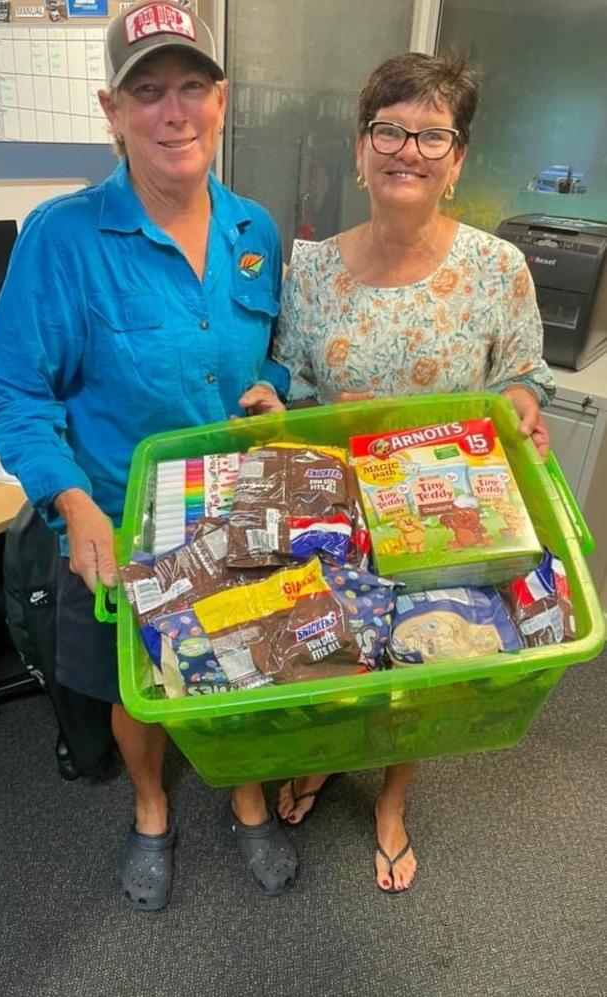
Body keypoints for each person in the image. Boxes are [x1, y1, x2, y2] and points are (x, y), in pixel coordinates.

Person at [0, 0, 298, 909]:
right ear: (110, 111)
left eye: (191, 87)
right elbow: (14, 391)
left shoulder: (255, 232)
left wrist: (274, 382)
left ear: (222, 101)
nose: (174, 112)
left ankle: (244, 793)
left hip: (239, 510)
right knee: (141, 688)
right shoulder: (62, 239)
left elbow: (270, 349)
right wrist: (70, 501)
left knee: (253, 657)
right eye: (147, 91)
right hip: (124, 524)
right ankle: (153, 806)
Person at [272, 52, 555, 894]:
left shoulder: (496, 267)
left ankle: (392, 798)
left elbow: (524, 370)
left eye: (434, 134)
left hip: (445, 512)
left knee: (424, 671)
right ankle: (326, 758)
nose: (409, 150)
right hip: (339, 507)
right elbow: (295, 379)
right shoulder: (313, 270)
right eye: (390, 129)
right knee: (333, 652)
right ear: (361, 149)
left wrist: (520, 402)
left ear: (456, 159)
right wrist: (284, 402)